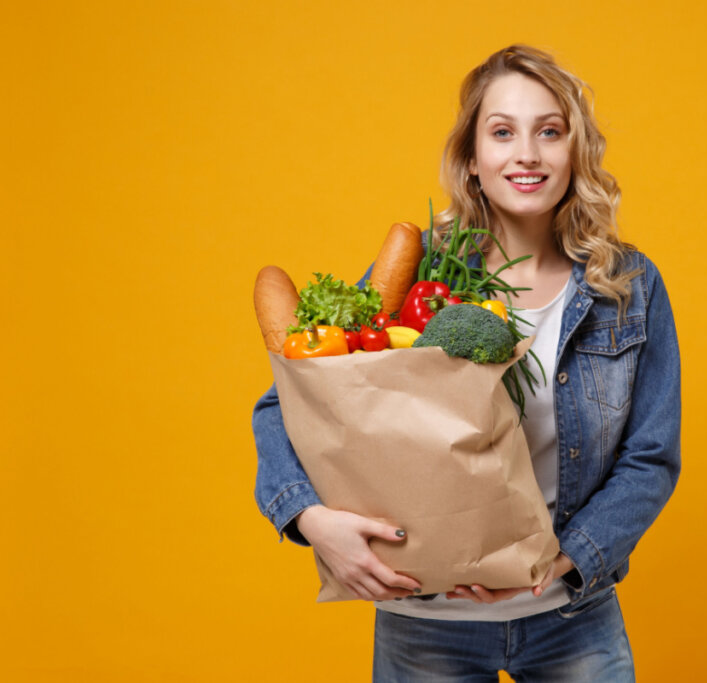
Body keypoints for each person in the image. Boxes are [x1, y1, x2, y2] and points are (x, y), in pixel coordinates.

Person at [253, 44, 681, 681]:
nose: (527, 154)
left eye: (550, 132)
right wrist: (312, 522)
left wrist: (560, 560)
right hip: (425, 620)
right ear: (473, 160)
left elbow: (649, 456)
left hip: (571, 615)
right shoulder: (417, 272)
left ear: (575, 153)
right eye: (502, 132)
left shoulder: (627, 286)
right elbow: (287, 402)